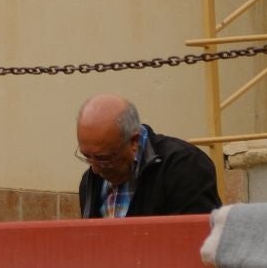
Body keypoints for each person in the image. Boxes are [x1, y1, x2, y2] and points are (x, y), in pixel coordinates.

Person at [74, 94, 219, 219]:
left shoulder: (185, 167)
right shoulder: (90, 182)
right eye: (86, 156)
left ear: (134, 141)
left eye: (104, 159)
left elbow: (197, 241)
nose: (95, 169)